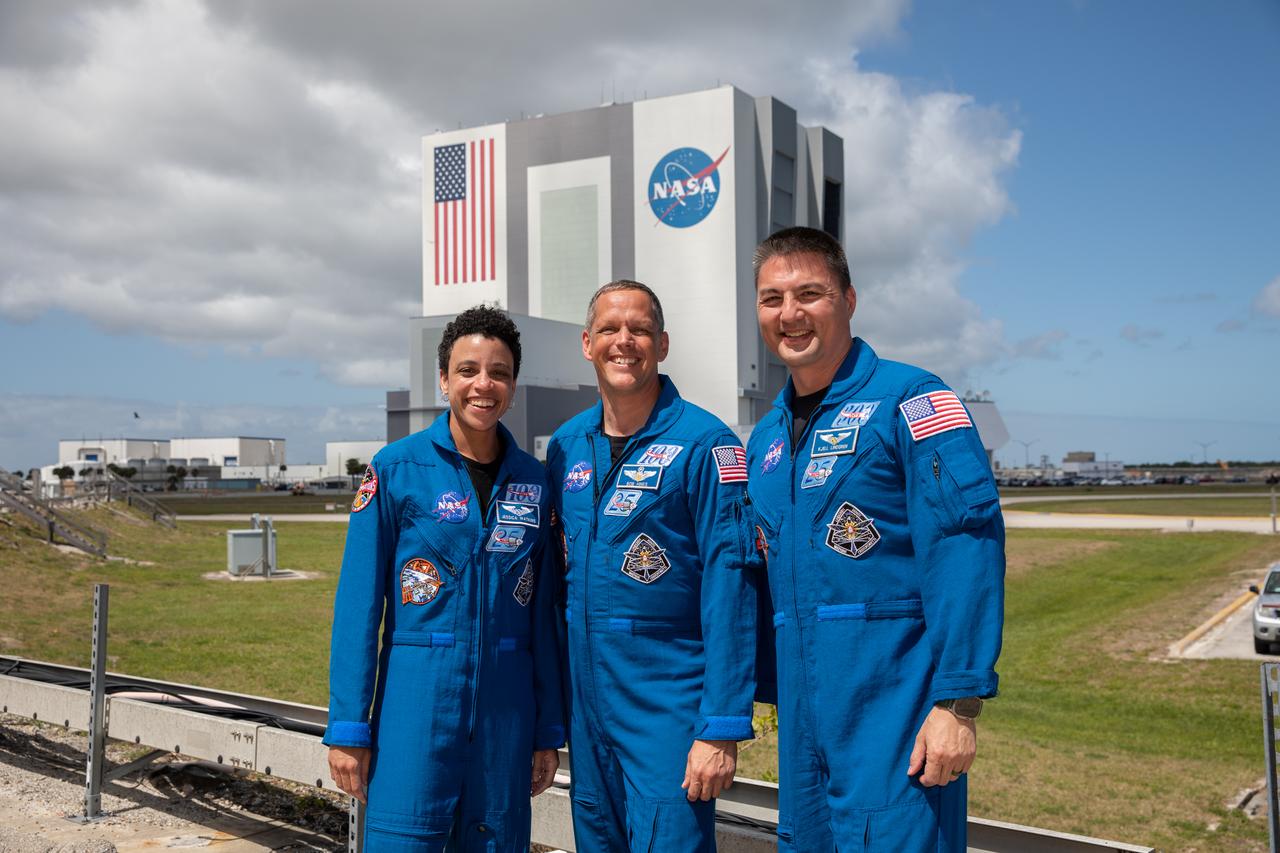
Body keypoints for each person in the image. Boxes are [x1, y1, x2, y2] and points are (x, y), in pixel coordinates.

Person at [746, 227, 1004, 852]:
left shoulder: (912, 401)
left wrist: (958, 703)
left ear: (849, 299)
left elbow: (964, 544)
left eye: (810, 293)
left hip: (896, 712)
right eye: (772, 298)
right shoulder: (765, 442)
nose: (791, 314)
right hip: (804, 726)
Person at [324, 306, 564, 851]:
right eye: (468, 370)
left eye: (499, 372)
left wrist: (547, 730)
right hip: (416, 702)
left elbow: (545, 615)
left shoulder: (534, 480)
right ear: (443, 379)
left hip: (507, 713)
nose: (484, 384)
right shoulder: (395, 469)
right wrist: (347, 729)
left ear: (513, 384)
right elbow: (358, 607)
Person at [546, 281, 761, 852]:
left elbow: (731, 587)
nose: (625, 341)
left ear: (662, 344)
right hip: (587, 709)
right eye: (611, 330)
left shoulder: (705, 444)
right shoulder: (566, 448)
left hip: (668, 707)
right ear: (587, 343)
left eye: (639, 330)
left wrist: (721, 726)